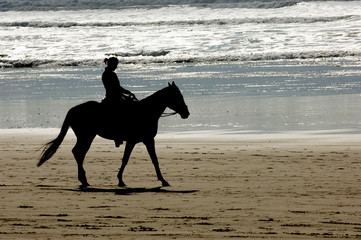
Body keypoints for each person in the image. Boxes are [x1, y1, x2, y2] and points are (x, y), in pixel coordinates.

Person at [101, 57, 137, 147]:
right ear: (112, 65)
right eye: (115, 65)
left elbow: (117, 88)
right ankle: (118, 137)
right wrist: (126, 94)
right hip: (113, 98)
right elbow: (116, 89)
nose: (116, 67)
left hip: (114, 97)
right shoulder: (110, 74)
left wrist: (127, 93)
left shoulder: (106, 73)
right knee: (123, 114)